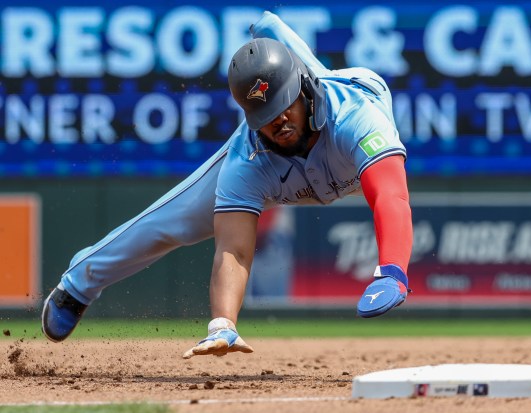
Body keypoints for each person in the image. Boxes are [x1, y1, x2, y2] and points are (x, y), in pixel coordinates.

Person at [41, 11, 414, 358]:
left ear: (302, 93)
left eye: (285, 105)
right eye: (266, 115)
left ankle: (272, 30)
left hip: (342, 129)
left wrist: (393, 271)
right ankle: (79, 283)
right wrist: (223, 323)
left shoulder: (357, 118)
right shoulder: (248, 156)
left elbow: (390, 196)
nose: (279, 121)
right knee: (172, 222)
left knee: (302, 70)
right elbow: (234, 249)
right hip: (280, 166)